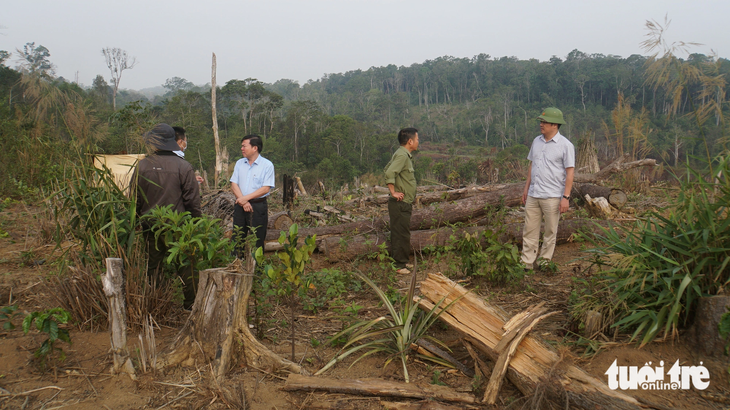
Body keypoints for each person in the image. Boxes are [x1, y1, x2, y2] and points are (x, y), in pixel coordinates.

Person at [132, 123, 201, 308]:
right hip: (177, 226)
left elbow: (134, 198)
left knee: (153, 267)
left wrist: (135, 220)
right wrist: (196, 223)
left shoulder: (142, 165)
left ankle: (154, 303)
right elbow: (192, 201)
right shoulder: (183, 167)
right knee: (186, 266)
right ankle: (190, 306)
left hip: (150, 226)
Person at [521, 107, 575, 271]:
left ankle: (544, 262)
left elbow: (570, 172)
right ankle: (526, 262)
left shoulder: (565, 145)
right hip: (533, 194)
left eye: (544, 122)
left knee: (550, 231)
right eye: (541, 121)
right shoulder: (536, 141)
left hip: (552, 196)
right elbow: (532, 165)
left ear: (555, 125)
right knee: (529, 229)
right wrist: (526, 188)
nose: (541, 124)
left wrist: (565, 197)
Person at [230, 134, 275, 257]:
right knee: (237, 237)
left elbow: (266, 188)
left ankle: (257, 271)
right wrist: (243, 201)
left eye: (244, 146)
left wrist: (245, 199)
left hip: (258, 206)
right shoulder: (240, 163)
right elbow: (234, 184)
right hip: (240, 206)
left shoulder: (267, 165)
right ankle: (235, 266)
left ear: (255, 148)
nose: (242, 149)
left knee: (257, 238)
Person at [384, 127, 419, 274]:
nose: (418, 142)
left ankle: (402, 262)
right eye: (417, 139)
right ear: (410, 141)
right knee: (400, 234)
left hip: (404, 203)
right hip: (400, 204)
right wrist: (393, 192)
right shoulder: (402, 156)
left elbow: (389, 168)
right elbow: (389, 172)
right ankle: (398, 266)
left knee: (403, 233)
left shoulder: (402, 154)